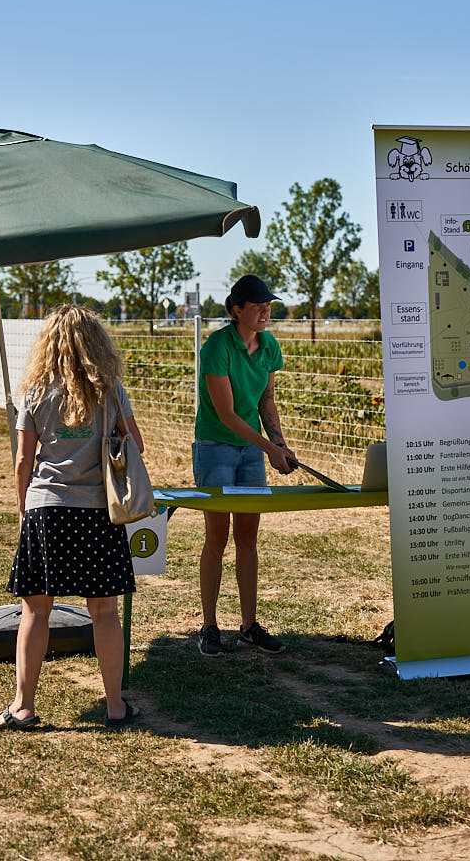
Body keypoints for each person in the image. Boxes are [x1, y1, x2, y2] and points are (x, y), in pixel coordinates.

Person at [0, 304, 144, 731]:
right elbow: (137, 445)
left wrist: (22, 507)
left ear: (48, 343)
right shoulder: (111, 390)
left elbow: (23, 459)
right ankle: (115, 707)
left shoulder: (35, 392)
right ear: (97, 343)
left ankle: (23, 707)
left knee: (35, 612)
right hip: (100, 513)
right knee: (105, 612)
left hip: (46, 510)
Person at [193, 274, 297, 657]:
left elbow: (266, 400)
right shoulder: (217, 346)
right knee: (217, 537)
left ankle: (249, 626)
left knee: (248, 539)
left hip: (251, 451)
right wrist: (269, 447)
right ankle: (209, 627)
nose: (265, 312)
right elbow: (227, 414)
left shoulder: (269, 346)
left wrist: (279, 443)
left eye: (268, 306)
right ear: (237, 310)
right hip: (215, 448)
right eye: (258, 306)